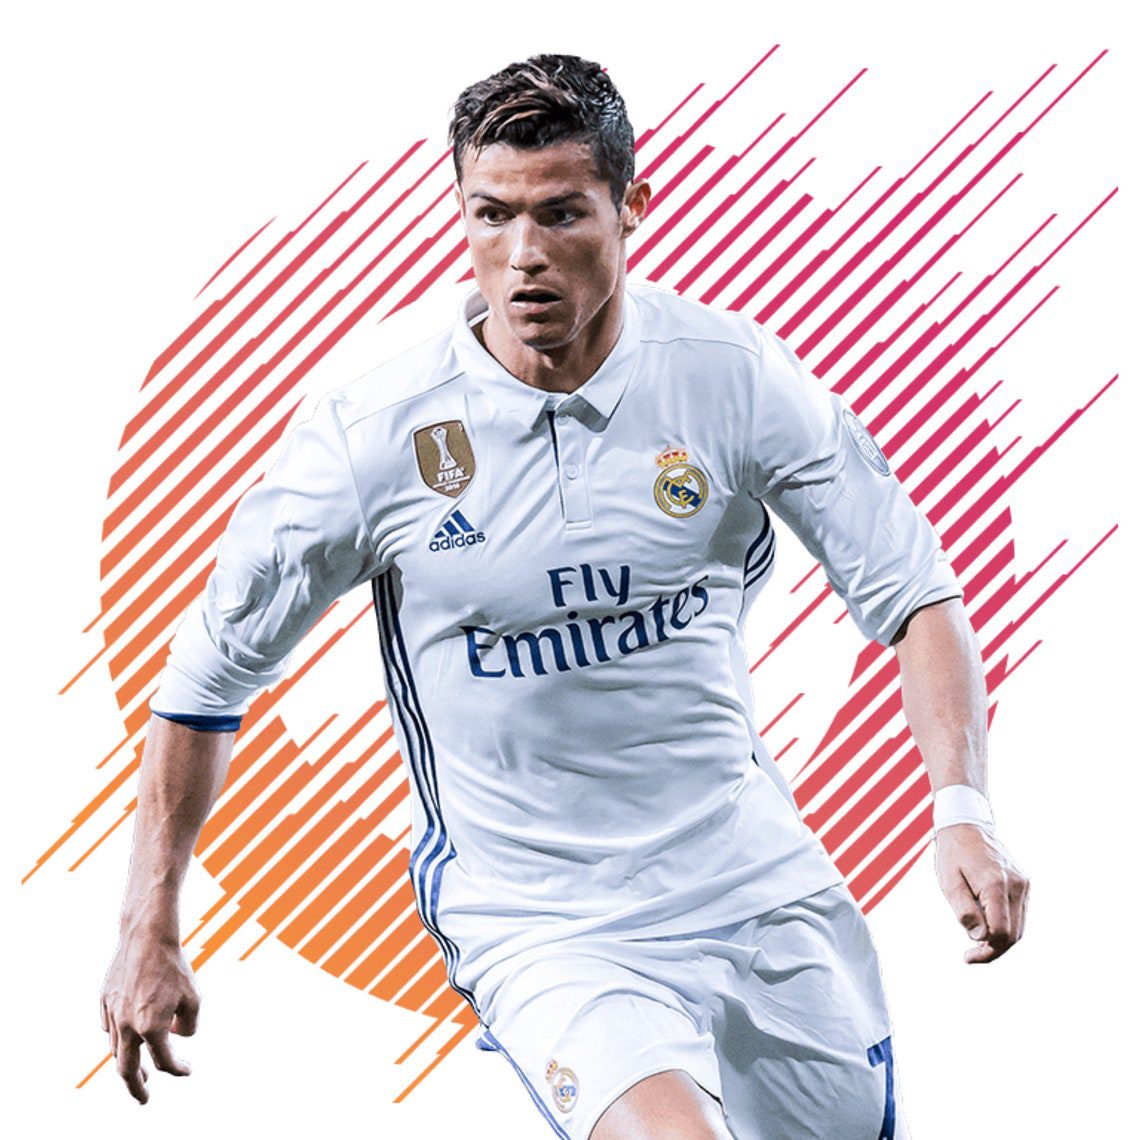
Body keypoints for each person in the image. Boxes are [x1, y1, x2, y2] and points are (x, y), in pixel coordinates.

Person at [100, 53, 1028, 1139]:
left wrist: (963, 810)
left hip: (753, 881)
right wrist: (147, 923)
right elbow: (207, 678)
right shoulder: (374, 435)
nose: (523, 255)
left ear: (634, 207)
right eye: (490, 216)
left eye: (561, 214)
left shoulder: (731, 378)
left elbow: (913, 591)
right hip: (543, 919)